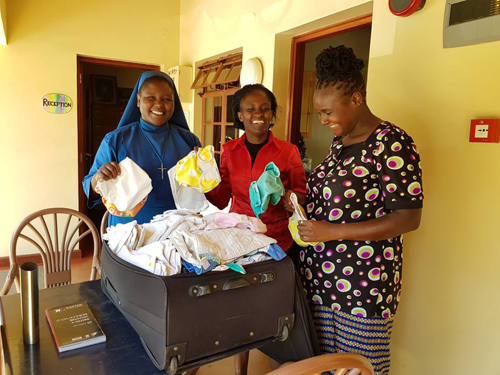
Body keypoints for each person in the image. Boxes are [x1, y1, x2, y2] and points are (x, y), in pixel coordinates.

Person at [296, 45, 423, 375]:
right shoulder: (341, 144)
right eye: (320, 113)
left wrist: (332, 232)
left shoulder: (391, 142)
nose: (323, 121)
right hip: (321, 278)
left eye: (328, 113)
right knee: (324, 366)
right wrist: (297, 205)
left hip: (363, 284)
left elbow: (408, 217)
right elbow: (336, 201)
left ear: (356, 98)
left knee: (360, 368)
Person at [205, 84, 307, 375]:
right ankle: (241, 368)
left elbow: (301, 193)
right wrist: (204, 184)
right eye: (250, 109)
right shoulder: (229, 150)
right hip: (241, 243)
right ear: (240, 114)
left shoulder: (287, 151)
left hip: (278, 243)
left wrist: (289, 197)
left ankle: (279, 366)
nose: (258, 115)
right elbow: (221, 197)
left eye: (264, 109)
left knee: (274, 309)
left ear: (272, 114)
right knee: (241, 309)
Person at [83, 71, 201, 227]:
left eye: (166, 99)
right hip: (129, 230)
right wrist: (98, 178)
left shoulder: (188, 140)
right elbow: (89, 189)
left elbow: (202, 187)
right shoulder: (115, 140)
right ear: (138, 100)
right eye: (151, 98)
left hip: (177, 228)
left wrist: (206, 168)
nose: (159, 104)